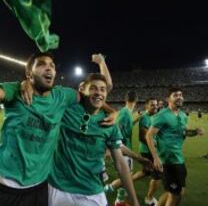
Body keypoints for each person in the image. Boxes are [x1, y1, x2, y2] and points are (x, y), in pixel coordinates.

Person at [0, 44, 116, 206]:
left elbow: (92, 96)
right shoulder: (15, 92)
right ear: (29, 74)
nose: (49, 68)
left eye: (52, 65)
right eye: (42, 64)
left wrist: (112, 111)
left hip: (41, 187)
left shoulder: (63, 96)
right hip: (8, 188)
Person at [48, 73, 140, 206]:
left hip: (92, 191)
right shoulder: (66, 109)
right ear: (82, 90)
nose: (98, 92)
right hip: (59, 188)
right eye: (93, 88)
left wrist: (134, 200)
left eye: (103, 89)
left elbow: (120, 163)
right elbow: (44, 92)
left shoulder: (109, 124)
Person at [146, 87, 204, 206]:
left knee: (178, 191)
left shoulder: (183, 115)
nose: (179, 97)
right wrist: (155, 158)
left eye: (181, 95)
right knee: (175, 194)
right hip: (167, 161)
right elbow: (149, 135)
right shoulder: (162, 115)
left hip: (179, 159)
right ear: (168, 99)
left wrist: (195, 131)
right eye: (176, 95)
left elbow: (185, 132)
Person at [132, 98, 161, 206]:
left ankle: (126, 181)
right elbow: (143, 137)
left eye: (156, 105)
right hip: (147, 150)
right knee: (158, 174)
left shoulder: (154, 116)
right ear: (147, 106)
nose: (155, 107)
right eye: (152, 105)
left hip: (151, 149)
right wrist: (155, 149)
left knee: (146, 172)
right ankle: (149, 199)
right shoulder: (144, 117)